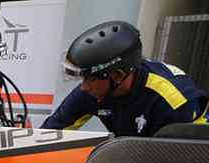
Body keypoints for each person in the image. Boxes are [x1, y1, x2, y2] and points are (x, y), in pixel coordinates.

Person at [43, 21, 208, 136]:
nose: (84, 87)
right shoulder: (94, 90)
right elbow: (50, 133)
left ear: (118, 75)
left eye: (90, 79)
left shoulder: (171, 102)